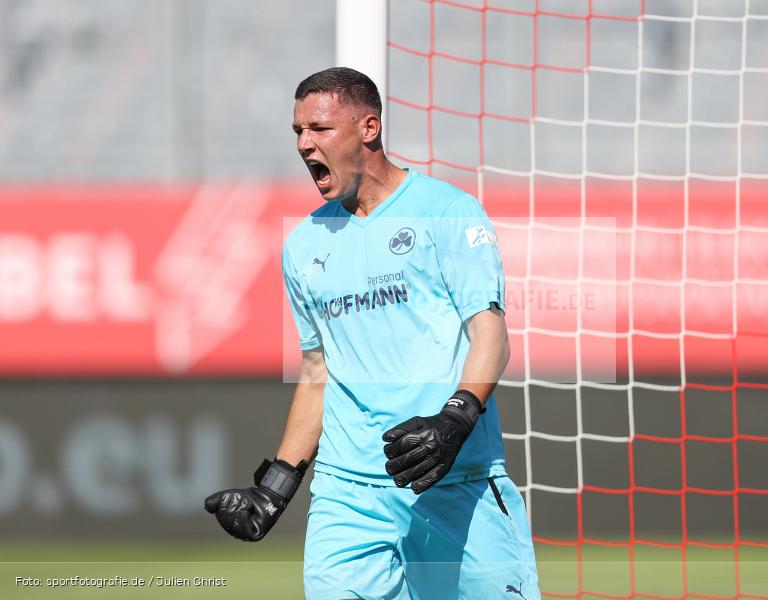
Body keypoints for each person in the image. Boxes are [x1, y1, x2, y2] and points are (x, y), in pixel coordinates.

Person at [204, 67, 540, 599]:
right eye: (297, 131)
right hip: (348, 493)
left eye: (319, 129)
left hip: (453, 480)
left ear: (369, 127)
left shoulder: (448, 213)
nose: (304, 144)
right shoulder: (303, 244)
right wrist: (275, 488)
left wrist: (454, 421)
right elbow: (317, 373)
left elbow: (490, 335)